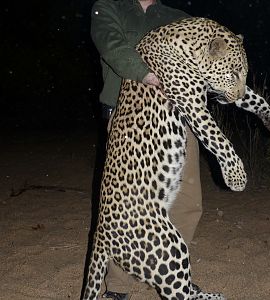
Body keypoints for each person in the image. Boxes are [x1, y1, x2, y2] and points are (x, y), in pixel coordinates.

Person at [90, 1, 202, 299]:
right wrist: (147, 75)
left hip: (177, 117)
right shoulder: (108, 7)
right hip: (131, 120)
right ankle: (118, 286)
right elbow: (111, 45)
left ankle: (172, 275)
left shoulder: (178, 17)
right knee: (128, 208)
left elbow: (201, 58)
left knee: (188, 202)